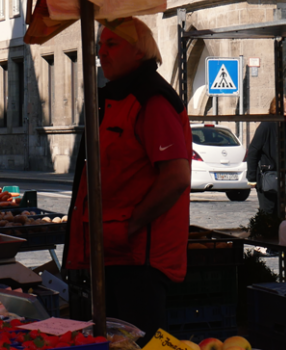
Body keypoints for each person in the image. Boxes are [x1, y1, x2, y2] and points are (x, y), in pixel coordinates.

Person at [65, 18, 191, 333]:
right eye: (100, 45)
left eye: (112, 44)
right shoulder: (117, 97)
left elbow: (176, 176)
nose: (101, 53)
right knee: (112, 345)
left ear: (139, 52)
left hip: (140, 257)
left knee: (137, 348)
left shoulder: (152, 99)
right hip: (113, 249)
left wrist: (131, 224)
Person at [246, 95, 286, 219]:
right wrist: (252, 177)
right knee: (268, 213)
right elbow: (253, 151)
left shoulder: (284, 125)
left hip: (282, 176)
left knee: (280, 214)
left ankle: (278, 236)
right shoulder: (266, 126)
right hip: (268, 176)